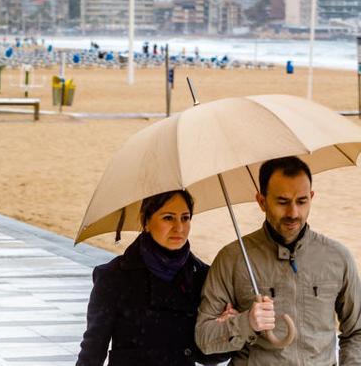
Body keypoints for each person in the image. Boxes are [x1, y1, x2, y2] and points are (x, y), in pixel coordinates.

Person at [195, 156, 361, 364]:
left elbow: (357, 331)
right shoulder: (232, 259)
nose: (293, 213)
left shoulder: (338, 257)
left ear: (311, 197)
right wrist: (246, 322)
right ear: (262, 201)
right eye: (282, 202)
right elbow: (204, 337)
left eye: (301, 201)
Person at [78, 190, 233, 365]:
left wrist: (225, 330)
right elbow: (93, 351)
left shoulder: (202, 276)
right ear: (145, 221)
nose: (179, 228)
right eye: (168, 218)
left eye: (185, 217)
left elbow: (206, 356)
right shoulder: (114, 277)